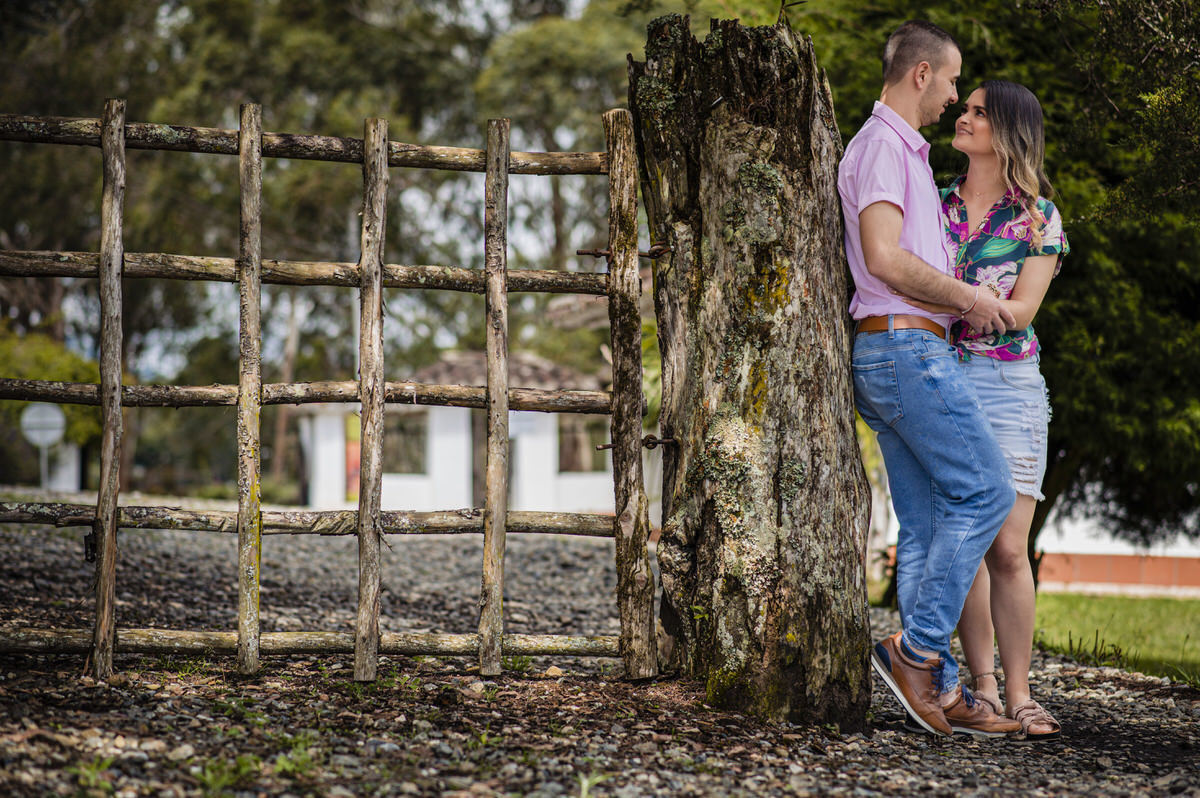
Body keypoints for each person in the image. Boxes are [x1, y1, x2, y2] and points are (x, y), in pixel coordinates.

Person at [837, 20, 1021, 737]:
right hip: (904, 353)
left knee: (923, 525)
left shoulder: (897, 150)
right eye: (951, 82)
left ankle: (939, 689)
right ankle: (915, 655)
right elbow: (884, 258)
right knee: (987, 491)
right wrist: (974, 299)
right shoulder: (884, 147)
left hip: (899, 353)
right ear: (921, 76)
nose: (952, 97)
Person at [930, 80, 1068, 740]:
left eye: (979, 112)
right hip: (941, 382)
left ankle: (1021, 694)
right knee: (967, 537)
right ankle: (981, 689)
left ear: (1008, 131)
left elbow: (1021, 313)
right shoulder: (932, 208)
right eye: (967, 106)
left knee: (1009, 549)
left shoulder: (1040, 217)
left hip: (1008, 386)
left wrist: (948, 297)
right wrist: (973, 302)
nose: (964, 115)